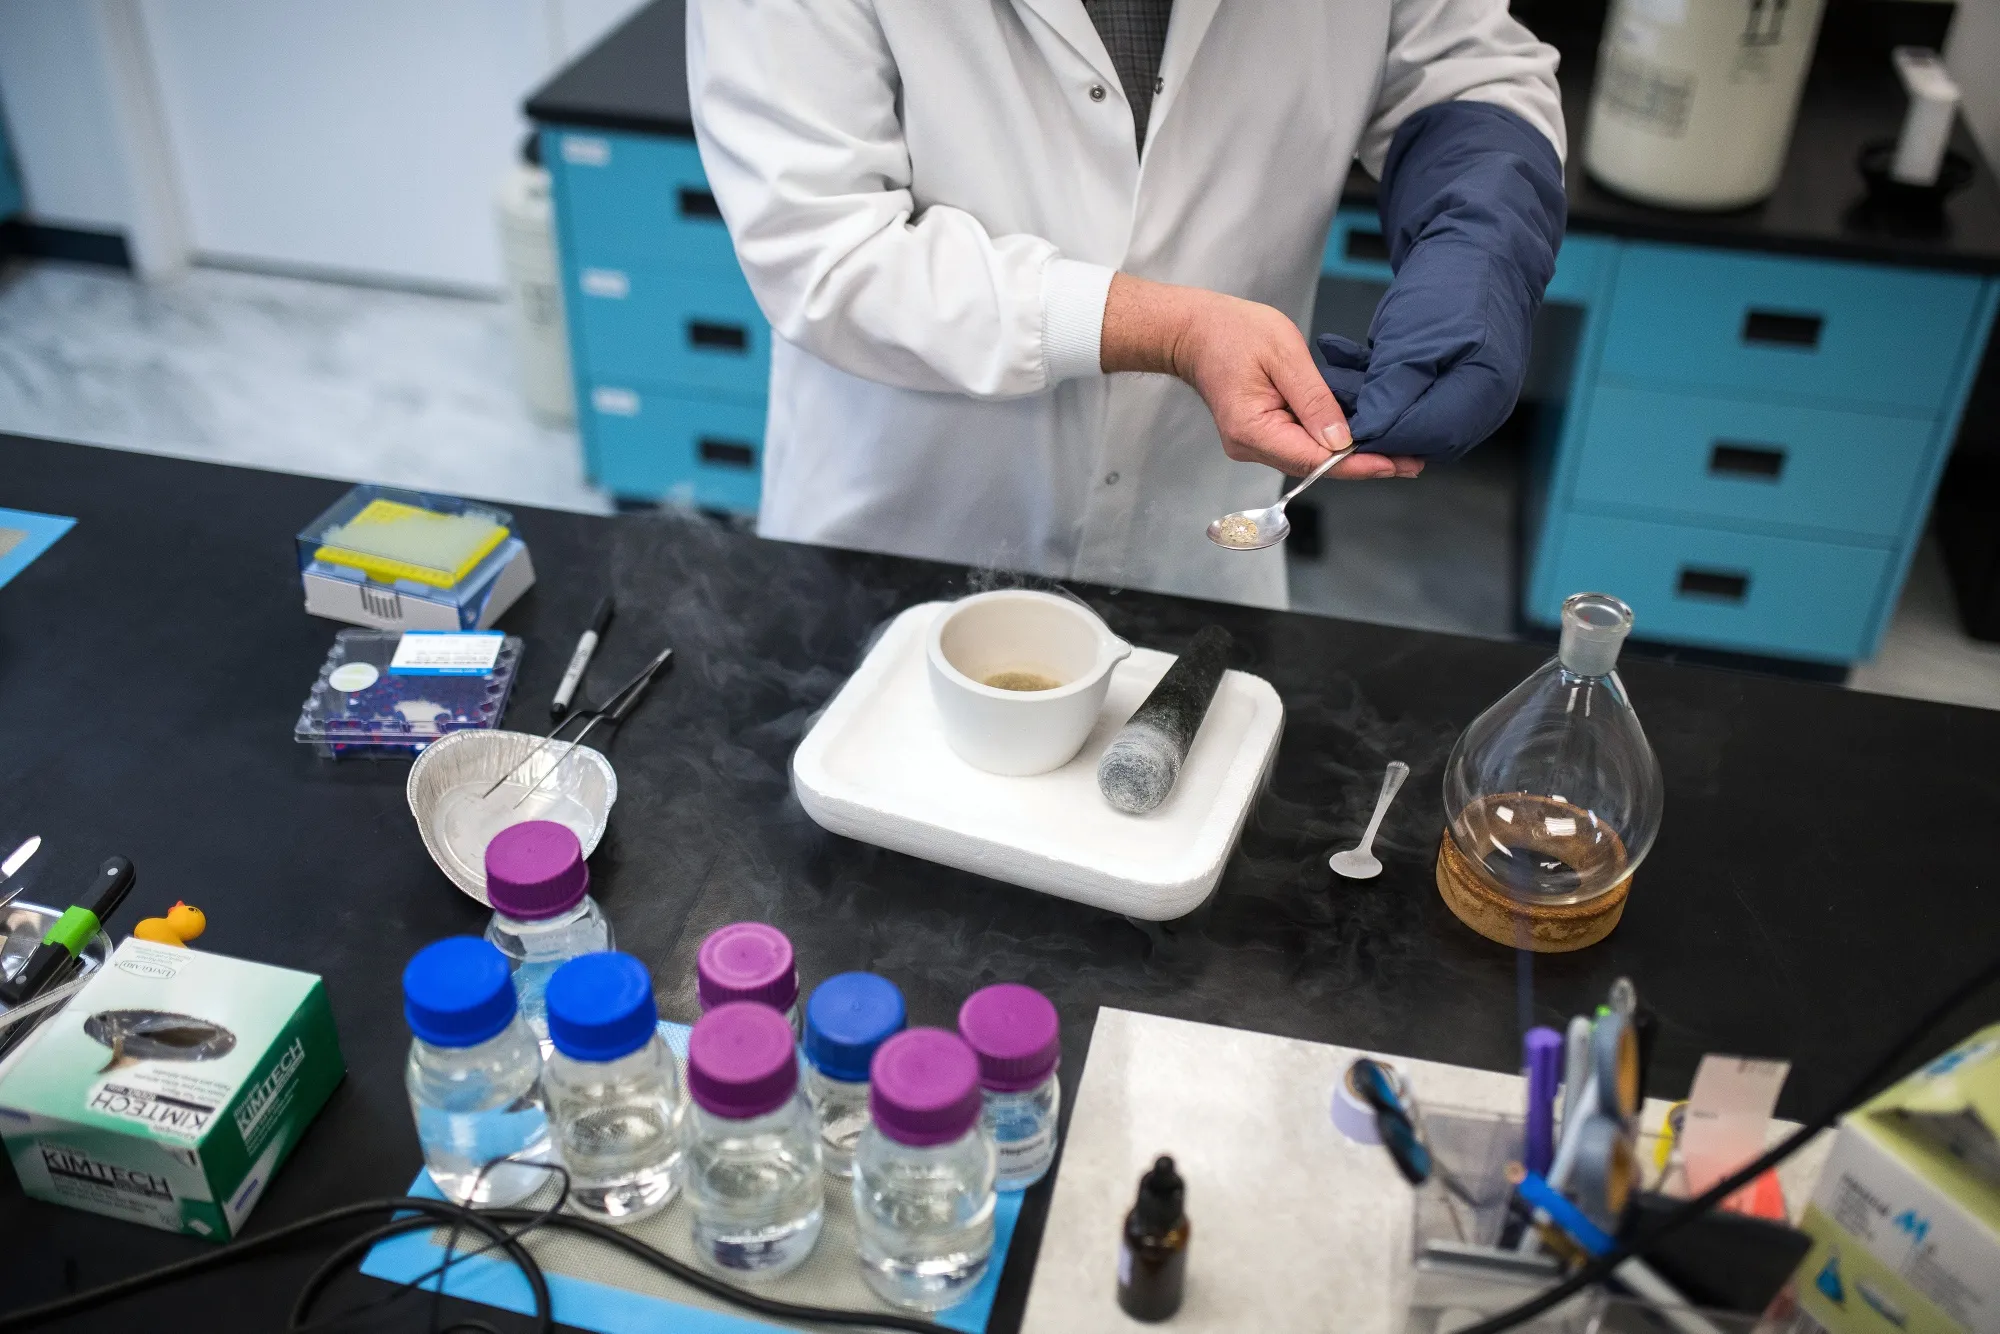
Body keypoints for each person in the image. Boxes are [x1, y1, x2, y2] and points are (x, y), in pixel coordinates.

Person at [689, 0, 1566, 608]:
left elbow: (1463, 67)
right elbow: (826, 248)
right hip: (906, 529)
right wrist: (1167, 330)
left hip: (1190, 540)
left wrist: (1481, 246)